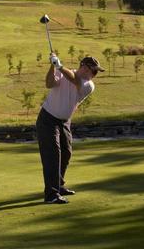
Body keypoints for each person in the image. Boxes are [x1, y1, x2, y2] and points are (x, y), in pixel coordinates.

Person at [36, 53, 104, 204]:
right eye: (93, 70)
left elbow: (74, 80)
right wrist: (52, 67)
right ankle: (51, 195)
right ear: (84, 67)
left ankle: (58, 186)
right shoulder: (65, 73)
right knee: (53, 155)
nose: (95, 74)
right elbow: (49, 84)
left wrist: (59, 66)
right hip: (47, 119)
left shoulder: (88, 85)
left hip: (64, 121)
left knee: (66, 153)